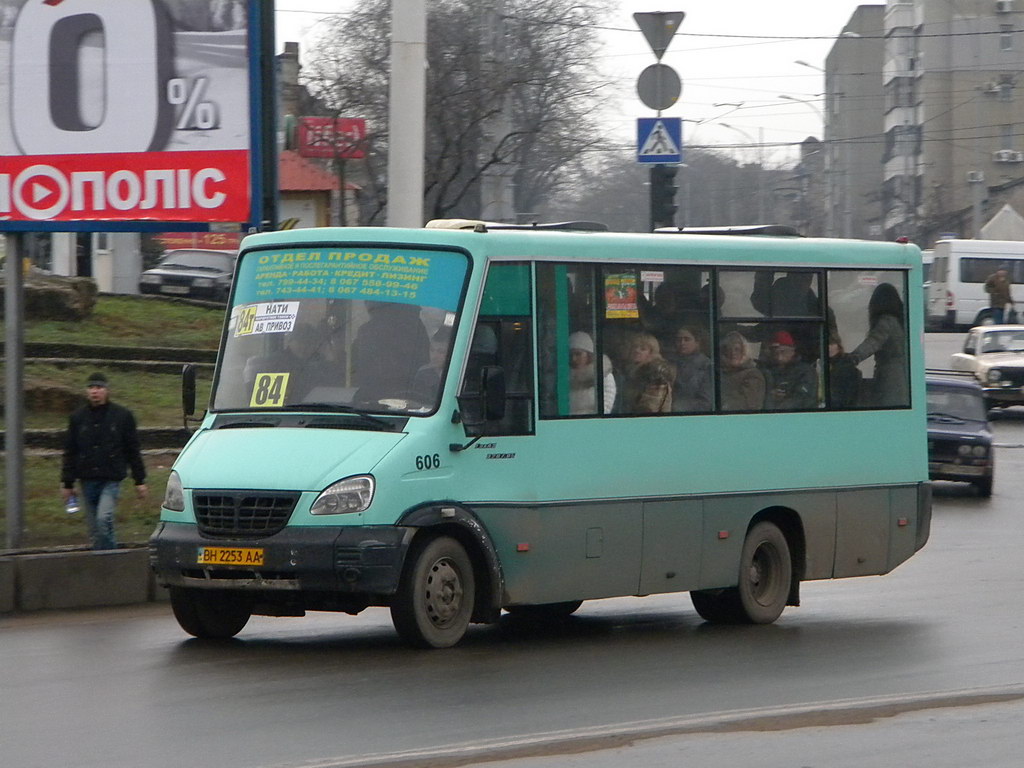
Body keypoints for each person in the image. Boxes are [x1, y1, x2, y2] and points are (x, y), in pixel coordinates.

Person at [60, 372, 147, 551]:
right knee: (95, 529)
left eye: (99, 388)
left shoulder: (122, 416)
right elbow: (70, 451)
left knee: (103, 519)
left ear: (107, 391)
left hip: (111, 478)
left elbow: (132, 449)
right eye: (91, 387)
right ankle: (104, 562)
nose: (95, 392)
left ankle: (109, 561)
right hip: (87, 479)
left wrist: (139, 480)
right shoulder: (77, 418)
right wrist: (67, 483)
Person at [847, 283, 908, 407]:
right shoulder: (899, 321)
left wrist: (853, 357)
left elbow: (873, 342)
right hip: (899, 374)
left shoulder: (886, 321)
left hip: (890, 377)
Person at [620, 332, 675, 413]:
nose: (637, 351)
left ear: (652, 353)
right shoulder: (629, 370)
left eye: (643, 349)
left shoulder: (656, 373)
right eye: (635, 347)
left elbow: (650, 407)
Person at [762, 330, 818, 410]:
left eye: (783, 352)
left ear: (792, 351)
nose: (779, 357)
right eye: (775, 353)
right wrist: (770, 396)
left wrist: (777, 410)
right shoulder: (767, 371)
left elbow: (802, 398)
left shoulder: (806, 371)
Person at [568, 331, 616, 415]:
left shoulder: (603, 374)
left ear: (589, 354)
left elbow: (606, 407)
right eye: (571, 355)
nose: (574, 359)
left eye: (578, 354)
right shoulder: (564, 376)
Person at [719, 331, 766, 411]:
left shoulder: (752, 374)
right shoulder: (718, 373)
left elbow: (749, 404)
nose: (732, 353)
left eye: (737, 349)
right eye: (728, 349)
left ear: (744, 351)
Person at [670, 325, 712, 412]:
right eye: (679, 340)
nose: (682, 343)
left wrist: (676, 406)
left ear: (697, 342)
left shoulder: (706, 366)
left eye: (687, 339)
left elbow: (706, 403)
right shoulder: (670, 363)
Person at [827, 333, 862, 408]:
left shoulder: (847, 366)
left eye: (832, 344)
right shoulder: (819, 364)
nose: (829, 347)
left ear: (838, 346)